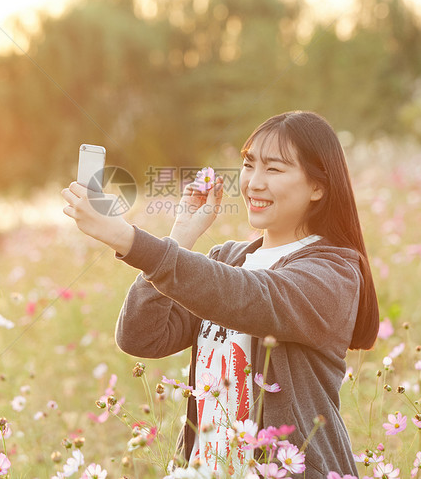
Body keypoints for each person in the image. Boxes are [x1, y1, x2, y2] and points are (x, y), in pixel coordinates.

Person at [61, 111, 378, 478]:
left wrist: (127, 239)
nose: (254, 183)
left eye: (274, 170)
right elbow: (140, 336)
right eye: (248, 164)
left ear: (318, 187)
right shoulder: (228, 259)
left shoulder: (333, 272)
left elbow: (248, 297)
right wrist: (180, 234)